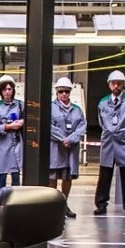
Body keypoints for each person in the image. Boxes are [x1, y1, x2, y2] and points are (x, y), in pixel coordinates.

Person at [94, 69, 125, 217]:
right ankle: (101, 204)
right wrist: (109, 131)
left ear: (123, 84)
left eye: (119, 83)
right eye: (113, 83)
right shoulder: (103, 102)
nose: (116, 86)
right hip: (108, 141)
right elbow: (101, 121)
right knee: (105, 174)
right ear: (109, 85)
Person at [49, 77, 85, 218]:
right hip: (56, 149)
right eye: (61, 91)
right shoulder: (51, 108)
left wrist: (71, 139)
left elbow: (82, 126)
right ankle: (52, 205)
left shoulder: (77, 110)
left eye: (66, 91)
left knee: (67, 177)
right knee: (52, 177)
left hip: (70, 150)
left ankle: (64, 204)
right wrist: (62, 138)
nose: (64, 94)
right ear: (57, 92)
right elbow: (49, 127)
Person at [0, 74, 24, 196]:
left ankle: (16, 201)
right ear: (1, 91)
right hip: (1, 146)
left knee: (15, 175)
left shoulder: (20, 105)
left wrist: (22, 122)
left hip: (16, 145)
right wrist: (8, 126)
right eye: (5, 89)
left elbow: (30, 118)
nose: (7, 92)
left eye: (10, 89)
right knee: (2, 175)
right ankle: (1, 200)